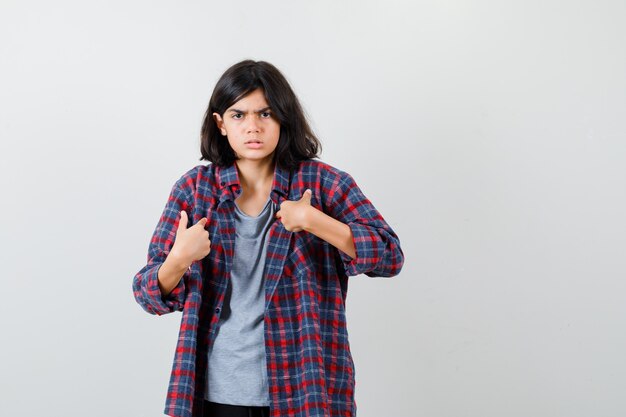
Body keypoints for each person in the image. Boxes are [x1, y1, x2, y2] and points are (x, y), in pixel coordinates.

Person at [132, 59, 404, 417]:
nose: (253, 127)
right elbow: (147, 293)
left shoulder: (323, 183)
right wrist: (179, 258)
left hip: (304, 388)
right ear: (221, 123)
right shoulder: (195, 190)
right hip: (215, 391)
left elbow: (389, 256)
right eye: (238, 115)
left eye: (265, 114)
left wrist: (315, 221)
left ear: (283, 119)